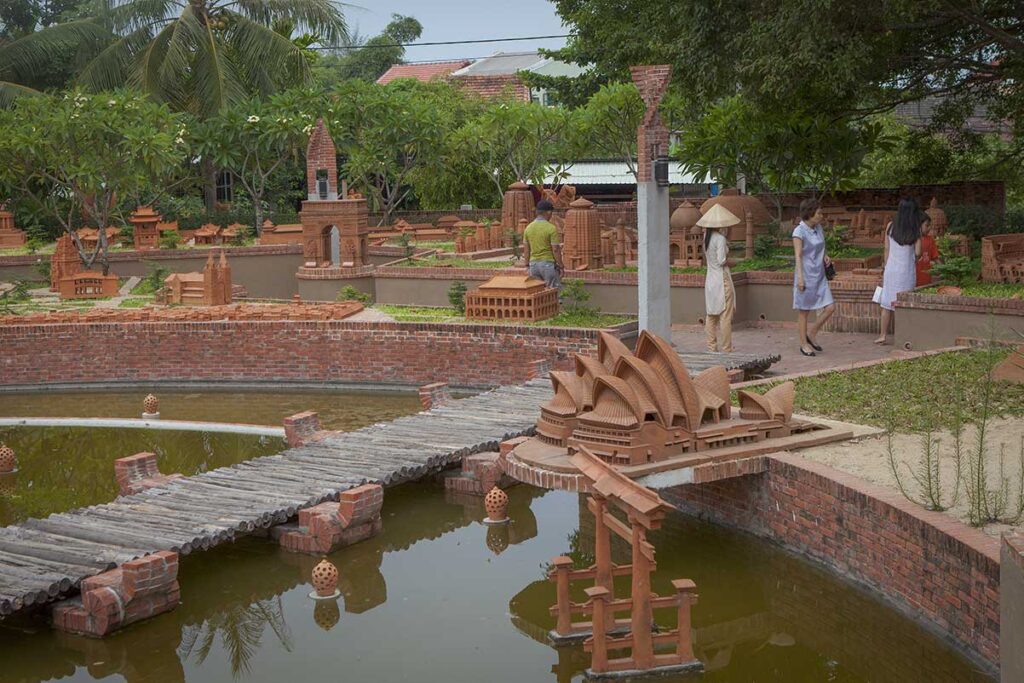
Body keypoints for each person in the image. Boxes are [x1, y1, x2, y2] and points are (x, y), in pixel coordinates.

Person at [875, 198, 922, 344]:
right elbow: (918, 252)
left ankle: (883, 335)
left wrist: (885, 267)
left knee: (886, 304)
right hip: (906, 271)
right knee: (905, 304)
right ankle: (903, 335)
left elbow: (886, 249)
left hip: (891, 269)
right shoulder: (916, 230)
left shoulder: (890, 227)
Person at [792, 199, 836, 356]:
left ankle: (812, 332)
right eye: (819, 213)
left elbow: (820, 247)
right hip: (806, 275)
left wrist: (825, 256)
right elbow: (798, 255)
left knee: (830, 307)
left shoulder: (818, 228)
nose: (821, 216)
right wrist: (800, 278)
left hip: (820, 275)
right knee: (804, 311)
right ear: (809, 214)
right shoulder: (799, 231)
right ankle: (803, 344)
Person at [698, 205, 738, 352]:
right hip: (722, 280)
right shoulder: (720, 238)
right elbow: (722, 260)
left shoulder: (706, 239)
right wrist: (733, 262)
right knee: (725, 316)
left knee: (711, 315)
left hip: (710, 280)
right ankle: (727, 349)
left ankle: (711, 347)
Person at [523, 199, 563, 289]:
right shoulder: (551, 228)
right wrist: (561, 265)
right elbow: (555, 249)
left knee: (538, 292)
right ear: (548, 212)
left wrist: (527, 265)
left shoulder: (528, 228)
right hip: (547, 264)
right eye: (551, 212)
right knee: (554, 293)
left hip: (533, 266)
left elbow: (526, 249)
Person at [915, 215, 940, 286]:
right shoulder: (911, 240)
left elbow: (935, 258)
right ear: (919, 225)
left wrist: (945, 270)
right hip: (913, 278)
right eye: (927, 225)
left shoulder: (930, 240)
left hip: (926, 279)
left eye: (930, 226)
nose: (929, 228)